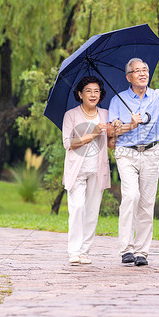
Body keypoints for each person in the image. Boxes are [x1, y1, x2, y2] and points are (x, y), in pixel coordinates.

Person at [108, 57, 159, 266]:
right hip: (126, 153)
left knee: (146, 203)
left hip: (151, 153)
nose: (143, 73)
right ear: (129, 77)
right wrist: (129, 124)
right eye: (137, 71)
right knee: (131, 196)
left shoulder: (158, 95)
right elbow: (110, 132)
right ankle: (126, 248)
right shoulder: (118, 99)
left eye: (145, 69)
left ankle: (141, 252)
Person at [62, 76, 112, 265]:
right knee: (77, 208)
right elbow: (68, 143)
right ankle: (74, 251)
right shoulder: (71, 115)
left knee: (92, 211)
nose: (93, 94)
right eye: (89, 91)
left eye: (97, 91)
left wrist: (120, 127)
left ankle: (84, 251)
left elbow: (112, 141)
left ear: (101, 94)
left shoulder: (106, 114)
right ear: (80, 94)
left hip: (98, 170)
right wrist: (92, 133)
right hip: (77, 169)